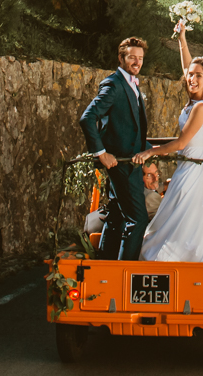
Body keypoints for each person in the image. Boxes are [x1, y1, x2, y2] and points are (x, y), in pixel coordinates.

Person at [132, 20, 203, 263]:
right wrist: (182, 39)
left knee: (182, 217)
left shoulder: (200, 108)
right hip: (189, 167)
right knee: (177, 216)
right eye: (190, 76)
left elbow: (179, 144)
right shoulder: (196, 97)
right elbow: (189, 66)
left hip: (193, 171)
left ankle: (179, 264)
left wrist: (150, 152)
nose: (192, 79)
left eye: (199, 76)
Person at [79, 36, 150, 260]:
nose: (137, 62)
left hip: (131, 162)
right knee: (138, 219)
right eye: (132, 57)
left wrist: (152, 150)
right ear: (121, 58)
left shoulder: (131, 84)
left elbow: (130, 128)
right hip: (122, 165)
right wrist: (101, 153)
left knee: (117, 216)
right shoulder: (114, 84)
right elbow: (88, 118)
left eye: (140, 58)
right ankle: (125, 272)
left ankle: (106, 263)